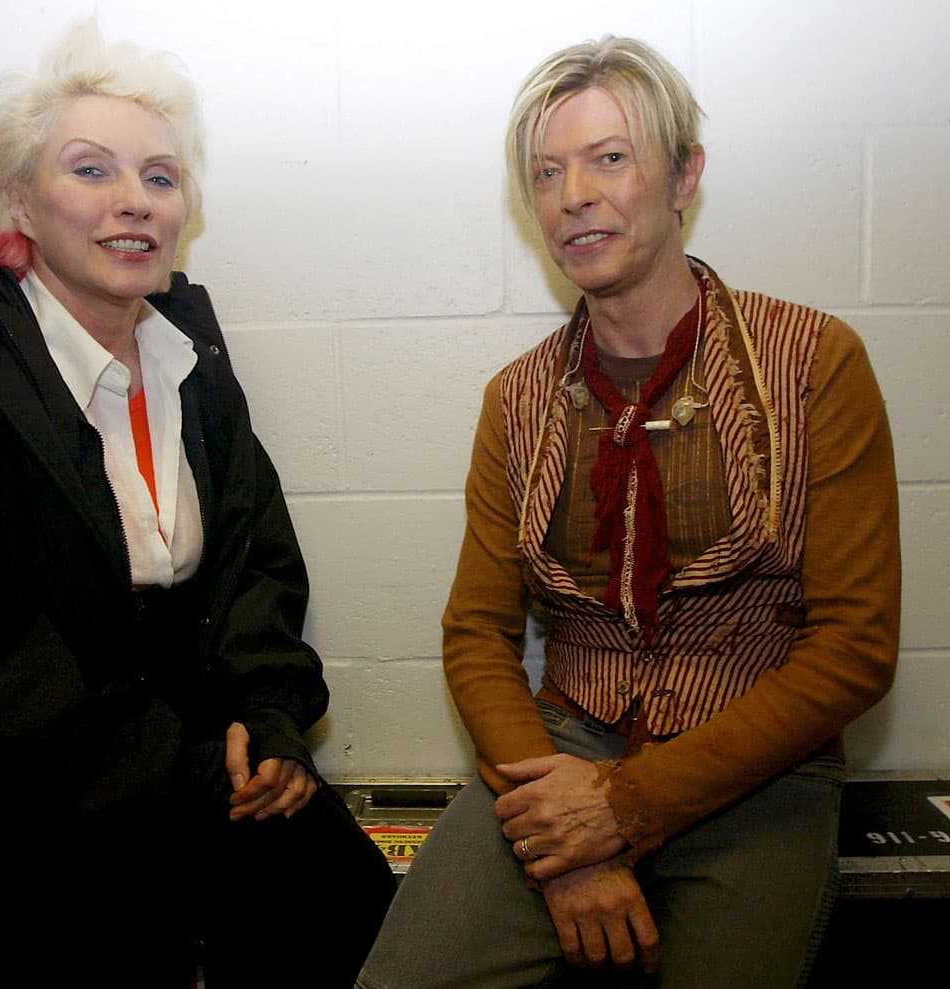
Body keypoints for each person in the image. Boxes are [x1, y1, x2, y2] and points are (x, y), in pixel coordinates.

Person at [0, 20, 393, 987]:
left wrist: (270, 712)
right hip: (3, 846)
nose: (134, 203)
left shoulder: (186, 358)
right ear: (20, 205)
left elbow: (253, 556)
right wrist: (196, 772)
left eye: (160, 178)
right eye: (92, 171)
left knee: (368, 924)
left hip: (186, 799)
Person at [357, 35, 899, 989]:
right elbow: (477, 634)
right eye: (547, 172)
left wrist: (630, 805)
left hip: (758, 765)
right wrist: (567, 837)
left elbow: (855, 643)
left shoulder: (816, 361)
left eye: (609, 158)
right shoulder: (516, 399)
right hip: (563, 748)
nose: (575, 194)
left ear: (684, 174)